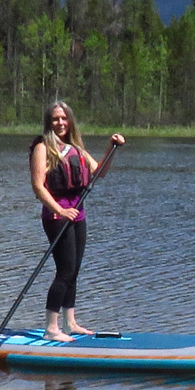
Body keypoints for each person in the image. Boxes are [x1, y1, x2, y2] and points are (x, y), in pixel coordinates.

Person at [29, 101, 125, 341]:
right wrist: (60, 211)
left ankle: (70, 322)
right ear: (49, 123)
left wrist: (110, 148)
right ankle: (51, 328)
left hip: (78, 215)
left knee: (74, 271)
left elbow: (99, 172)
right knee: (65, 271)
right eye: (55, 119)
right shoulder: (43, 147)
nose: (60, 123)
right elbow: (38, 187)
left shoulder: (76, 148)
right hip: (56, 216)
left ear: (70, 121)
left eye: (64, 118)